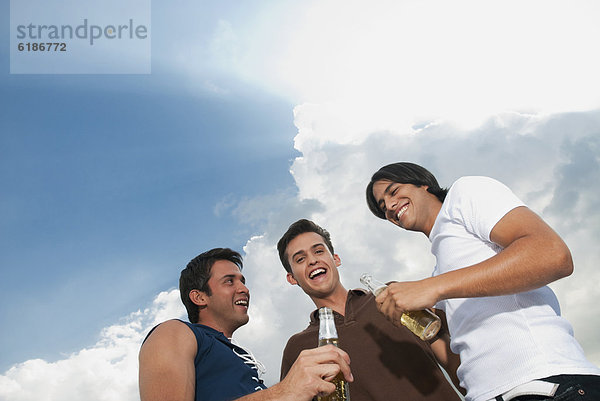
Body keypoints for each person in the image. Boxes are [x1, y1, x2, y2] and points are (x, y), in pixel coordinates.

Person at [365, 162, 600, 401]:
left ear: (424, 184)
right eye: (383, 207)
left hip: (542, 383)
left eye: (393, 192)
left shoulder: (464, 194)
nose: (391, 207)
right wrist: (430, 331)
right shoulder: (441, 271)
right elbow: (462, 372)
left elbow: (552, 255)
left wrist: (431, 288)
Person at [277, 219, 463, 401]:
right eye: (300, 259)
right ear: (292, 278)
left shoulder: (393, 296)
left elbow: (450, 356)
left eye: (318, 251)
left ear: (336, 259)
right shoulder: (297, 349)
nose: (312, 261)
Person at [139, 247, 353, 401]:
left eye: (243, 281)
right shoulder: (174, 332)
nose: (244, 289)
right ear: (199, 297)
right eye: (229, 281)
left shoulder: (237, 358)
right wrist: (283, 392)